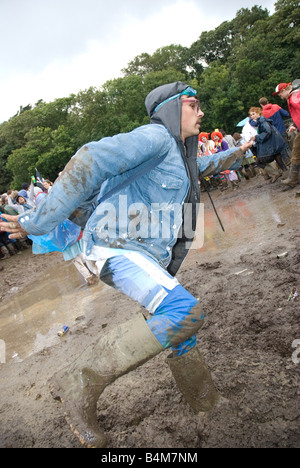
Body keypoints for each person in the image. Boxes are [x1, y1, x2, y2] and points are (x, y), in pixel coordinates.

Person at [0, 81, 253, 448]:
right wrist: (38, 221)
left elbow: (211, 162)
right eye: (194, 105)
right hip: (116, 246)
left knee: (177, 325)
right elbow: (91, 158)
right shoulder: (155, 138)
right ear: (171, 109)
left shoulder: (183, 156)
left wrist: (242, 152)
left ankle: (205, 401)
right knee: (183, 311)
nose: (202, 113)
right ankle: (78, 379)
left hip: (142, 253)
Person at [273, 82, 300, 188]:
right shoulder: (294, 96)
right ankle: (293, 178)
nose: (280, 97)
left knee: (296, 152)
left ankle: (293, 179)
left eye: (280, 94)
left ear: (284, 90)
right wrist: (294, 124)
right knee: (296, 151)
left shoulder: (294, 98)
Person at [249, 107, 287, 183]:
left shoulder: (263, 121)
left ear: (258, 113)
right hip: (274, 144)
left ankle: (280, 175)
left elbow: (268, 132)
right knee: (280, 161)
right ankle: (287, 176)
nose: (252, 116)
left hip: (272, 145)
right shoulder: (262, 121)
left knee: (259, 162)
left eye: (253, 114)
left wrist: (256, 137)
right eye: (251, 115)